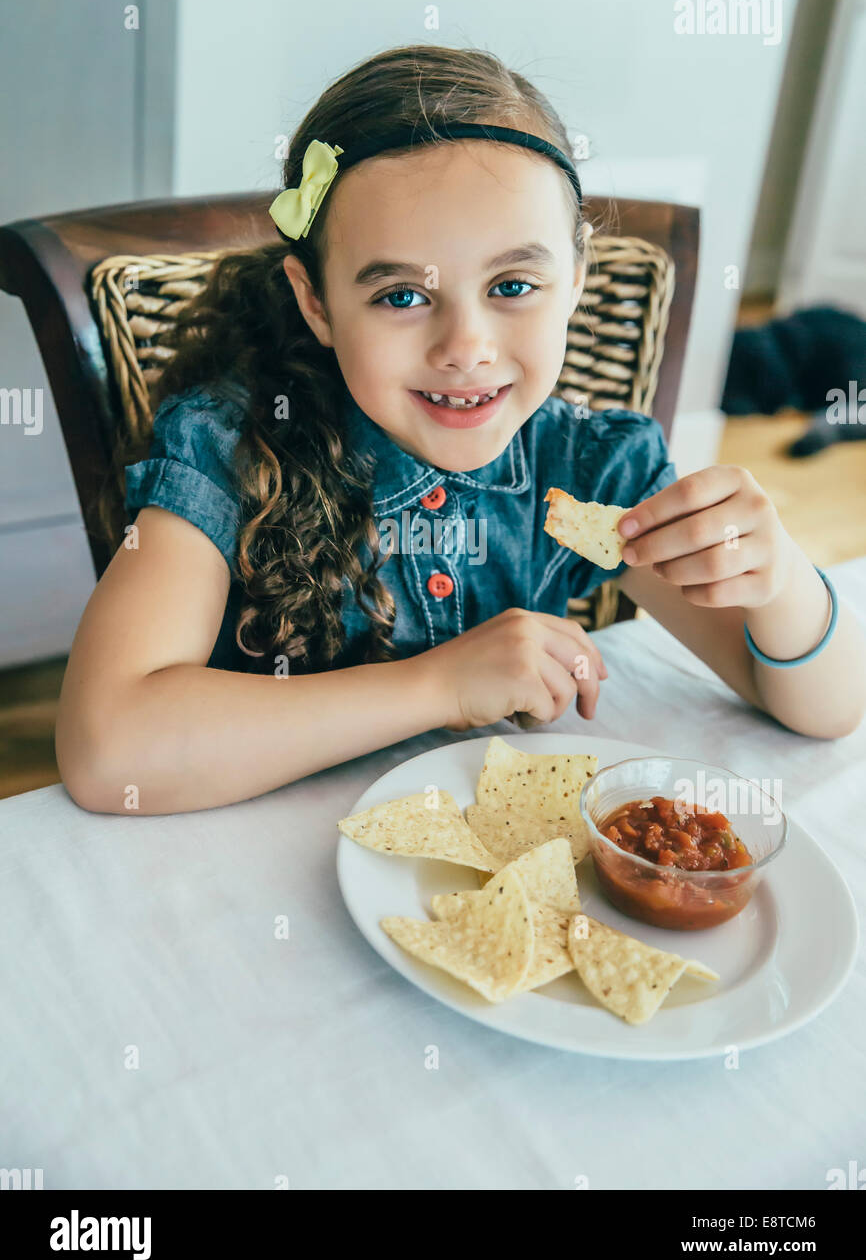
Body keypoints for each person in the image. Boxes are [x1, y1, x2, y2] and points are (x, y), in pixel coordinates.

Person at [55, 45, 866, 815]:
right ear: (316, 303)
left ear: (577, 276)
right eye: (402, 296)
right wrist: (437, 687)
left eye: (513, 283)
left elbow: (829, 712)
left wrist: (784, 581)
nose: (465, 349)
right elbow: (107, 750)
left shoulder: (592, 472)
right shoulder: (227, 449)